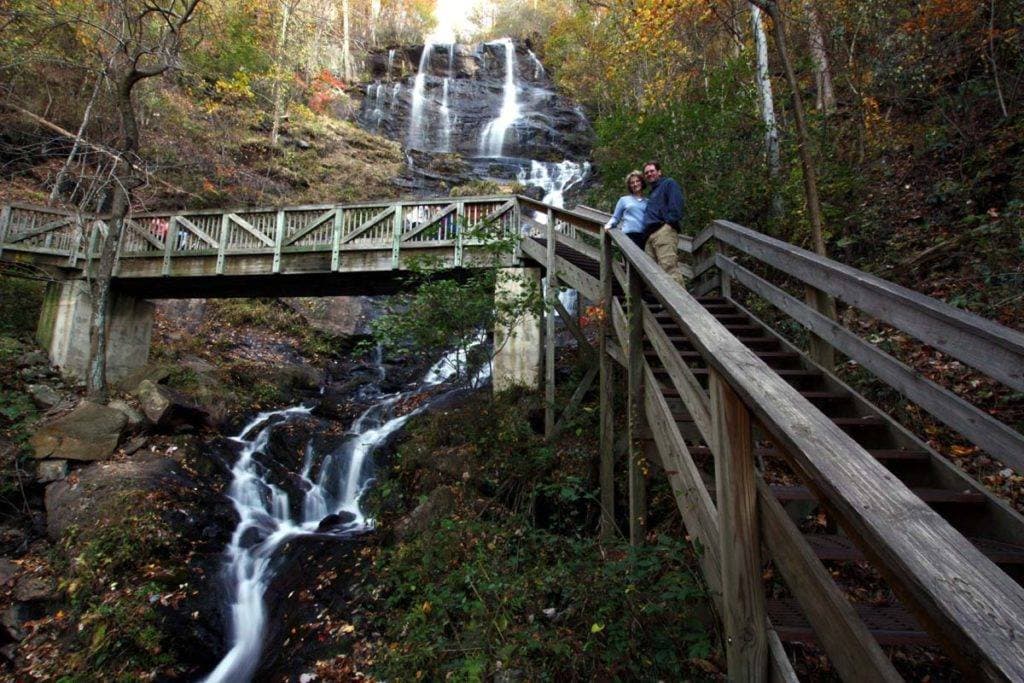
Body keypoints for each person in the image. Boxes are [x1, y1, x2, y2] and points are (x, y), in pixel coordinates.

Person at [641, 161, 686, 287]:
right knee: (653, 275)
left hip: (663, 231)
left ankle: (679, 300)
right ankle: (663, 300)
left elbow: (677, 205)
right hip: (650, 236)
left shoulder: (668, 183)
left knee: (669, 268)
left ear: (659, 172)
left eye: (652, 171)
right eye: (646, 173)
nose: (649, 174)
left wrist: (668, 224)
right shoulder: (652, 193)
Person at [603, 170, 648, 249]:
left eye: (637, 181)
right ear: (629, 186)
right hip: (628, 236)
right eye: (632, 183)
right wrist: (608, 225)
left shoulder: (648, 202)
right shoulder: (624, 200)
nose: (635, 184)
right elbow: (616, 217)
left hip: (644, 237)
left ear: (642, 182)